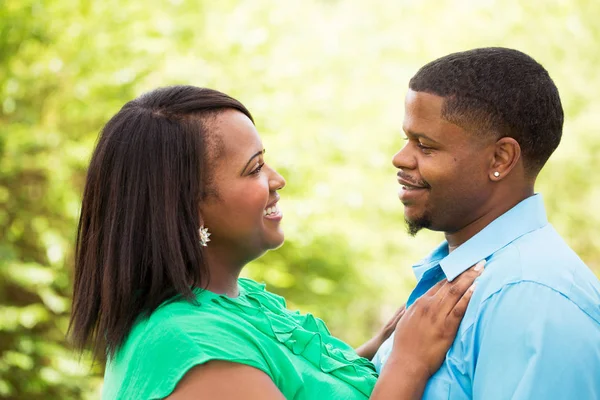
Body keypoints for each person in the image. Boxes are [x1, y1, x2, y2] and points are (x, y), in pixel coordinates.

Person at [68, 86, 483, 400]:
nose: (276, 179)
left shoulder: (236, 303)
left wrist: (376, 351)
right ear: (187, 208)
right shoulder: (198, 352)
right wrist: (408, 364)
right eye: (254, 169)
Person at [373, 47, 600, 399]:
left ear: (500, 158)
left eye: (425, 146)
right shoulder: (465, 278)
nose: (400, 158)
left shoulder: (533, 299)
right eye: (407, 139)